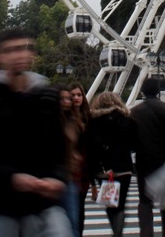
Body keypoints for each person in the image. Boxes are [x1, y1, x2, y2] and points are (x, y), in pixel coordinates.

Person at [0, 27, 71, 237]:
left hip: (42, 206)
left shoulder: (47, 98)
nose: (21, 55)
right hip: (2, 207)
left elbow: (59, 148)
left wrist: (57, 178)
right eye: (12, 50)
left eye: (26, 48)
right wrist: (11, 178)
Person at [130, 77, 165, 237]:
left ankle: (146, 232)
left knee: (145, 201)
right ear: (158, 90)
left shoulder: (136, 111)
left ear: (143, 91)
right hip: (164, 161)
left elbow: (132, 139)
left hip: (143, 161)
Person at [87, 91, 138, 237]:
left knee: (110, 204)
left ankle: (115, 231)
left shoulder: (94, 120)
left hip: (104, 170)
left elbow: (92, 146)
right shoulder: (128, 119)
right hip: (124, 167)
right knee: (121, 205)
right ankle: (118, 233)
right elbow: (134, 143)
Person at [58, 85, 88, 237]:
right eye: (63, 98)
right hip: (57, 175)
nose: (69, 101)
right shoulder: (54, 122)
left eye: (68, 98)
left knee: (73, 220)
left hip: (72, 176)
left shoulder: (75, 121)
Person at [69, 83, 91, 236]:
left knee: (80, 207)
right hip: (69, 170)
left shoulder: (88, 119)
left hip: (84, 171)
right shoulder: (65, 118)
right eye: (73, 95)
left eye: (79, 95)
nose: (76, 98)